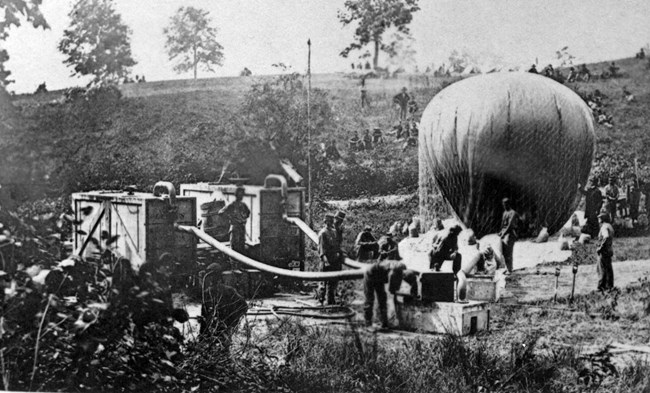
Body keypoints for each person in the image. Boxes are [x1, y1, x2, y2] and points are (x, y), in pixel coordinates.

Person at [199, 263, 248, 350]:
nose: (210, 279)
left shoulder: (228, 291)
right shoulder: (207, 293)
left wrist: (232, 320)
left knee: (221, 350)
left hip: (223, 328)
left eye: (212, 276)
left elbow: (243, 306)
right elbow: (204, 315)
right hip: (215, 328)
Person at [363, 260, 418, 328]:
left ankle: (384, 323)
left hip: (379, 277)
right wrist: (394, 293)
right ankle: (368, 324)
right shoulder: (394, 272)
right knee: (370, 299)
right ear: (403, 275)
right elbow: (391, 290)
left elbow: (413, 282)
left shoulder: (404, 270)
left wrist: (413, 294)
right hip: (370, 274)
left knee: (382, 299)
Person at [219, 186, 250, 262]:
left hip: (242, 227)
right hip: (235, 227)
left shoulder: (243, 205)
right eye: (239, 194)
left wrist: (243, 218)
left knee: (241, 247)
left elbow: (248, 213)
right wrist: (230, 217)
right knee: (234, 247)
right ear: (236, 195)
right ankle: (234, 266)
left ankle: (241, 265)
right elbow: (221, 212)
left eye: (242, 194)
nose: (241, 196)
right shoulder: (232, 205)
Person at [318, 213, 342, 305]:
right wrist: (326, 261)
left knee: (332, 283)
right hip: (326, 261)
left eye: (331, 221)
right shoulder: (323, 233)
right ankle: (321, 302)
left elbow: (337, 244)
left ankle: (330, 302)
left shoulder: (334, 231)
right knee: (323, 283)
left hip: (334, 261)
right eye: (328, 221)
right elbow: (321, 249)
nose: (329, 223)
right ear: (325, 221)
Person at [499, 198, 519, 274]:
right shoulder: (504, 213)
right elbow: (502, 225)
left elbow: (510, 225)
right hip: (504, 233)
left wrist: (503, 233)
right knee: (504, 251)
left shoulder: (512, 213)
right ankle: (507, 267)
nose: (504, 205)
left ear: (508, 204)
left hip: (510, 233)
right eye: (503, 204)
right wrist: (500, 232)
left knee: (509, 252)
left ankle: (510, 269)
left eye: (505, 204)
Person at [596, 212, 615, 291]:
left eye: (599, 218)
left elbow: (606, 237)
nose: (598, 219)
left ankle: (601, 286)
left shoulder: (604, 227)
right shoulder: (609, 226)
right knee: (608, 268)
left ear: (602, 219)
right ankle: (609, 285)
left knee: (602, 268)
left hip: (604, 251)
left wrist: (600, 247)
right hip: (609, 249)